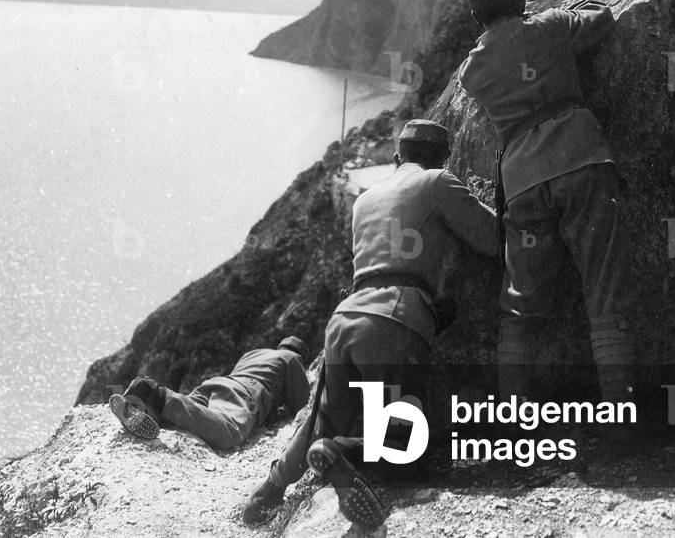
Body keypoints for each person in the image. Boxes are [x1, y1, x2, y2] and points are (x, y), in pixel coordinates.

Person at [243, 119, 498, 529]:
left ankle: (267, 491)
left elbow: (386, 261)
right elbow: (491, 238)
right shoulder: (438, 181)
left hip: (345, 321)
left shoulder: (365, 198)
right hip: (395, 322)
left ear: (397, 157)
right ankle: (343, 451)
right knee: (406, 450)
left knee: (322, 418)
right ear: (443, 158)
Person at [457, 0, 637, 424]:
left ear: (477, 14)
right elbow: (600, 18)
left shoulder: (472, 72)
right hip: (581, 159)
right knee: (604, 291)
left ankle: (514, 427)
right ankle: (624, 428)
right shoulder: (550, 26)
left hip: (522, 183)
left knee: (520, 306)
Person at [109, 336, 310, 451]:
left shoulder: (255, 353)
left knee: (187, 418)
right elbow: (302, 405)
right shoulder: (292, 359)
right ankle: (155, 394)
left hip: (220, 384)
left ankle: (145, 409)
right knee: (229, 432)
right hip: (246, 393)